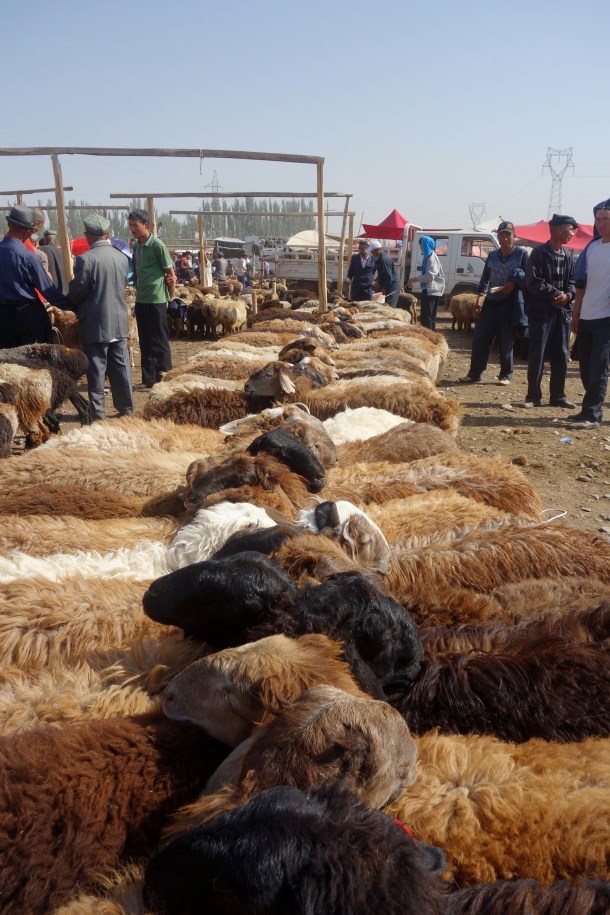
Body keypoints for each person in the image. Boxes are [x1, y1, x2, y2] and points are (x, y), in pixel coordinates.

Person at [68, 214, 134, 421]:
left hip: (95, 323)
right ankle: (127, 410)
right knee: (121, 368)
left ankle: (98, 414)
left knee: (96, 370)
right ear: (107, 234)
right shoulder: (122, 257)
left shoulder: (86, 259)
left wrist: (70, 297)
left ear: (88, 235)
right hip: (119, 322)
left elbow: (79, 291)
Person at [518, 214, 578, 409]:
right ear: (559, 230)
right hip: (542, 313)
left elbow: (573, 281)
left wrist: (568, 295)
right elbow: (532, 282)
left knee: (561, 354)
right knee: (538, 354)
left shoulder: (568, 255)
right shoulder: (538, 254)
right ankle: (533, 396)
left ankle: (558, 396)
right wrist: (556, 294)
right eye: (570, 230)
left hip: (561, 313)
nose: (572, 234)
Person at [459, 221, 528, 385]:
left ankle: (506, 374)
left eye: (508, 235)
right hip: (491, 301)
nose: (505, 238)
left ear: (514, 236)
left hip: (509, 302)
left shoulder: (521, 254)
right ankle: (475, 373)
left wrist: (514, 282)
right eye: (502, 235)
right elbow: (485, 278)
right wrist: (479, 298)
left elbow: (528, 277)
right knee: (480, 338)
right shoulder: (493, 255)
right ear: (498, 236)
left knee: (505, 340)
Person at [0, 205, 71, 347]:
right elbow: (48, 290)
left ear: (8, 223)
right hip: (28, 318)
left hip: (2, 319)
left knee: (5, 364)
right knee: (34, 364)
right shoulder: (28, 257)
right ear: (29, 231)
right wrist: (73, 306)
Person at [567, 199, 610, 429]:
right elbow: (581, 284)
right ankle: (587, 409)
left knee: (598, 367)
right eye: (598, 219)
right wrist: (576, 313)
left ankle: (593, 415)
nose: (601, 224)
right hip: (587, 316)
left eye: (606, 219)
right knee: (584, 366)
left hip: (606, 319)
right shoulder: (592, 248)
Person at [128, 208, 176, 387]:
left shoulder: (157, 245)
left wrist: (170, 296)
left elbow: (170, 273)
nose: (132, 229)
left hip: (156, 299)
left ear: (145, 225)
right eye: (131, 225)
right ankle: (148, 379)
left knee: (159, 341)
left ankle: (164, 378)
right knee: (145, 341)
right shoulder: (138, 246)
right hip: (142, 299)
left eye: (136, 225)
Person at [409, 235, 445, 329]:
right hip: (430, 289)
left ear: (425, 245)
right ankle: (431, 336)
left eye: (421, 245)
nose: (421, 247)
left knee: (427, 316)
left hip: (431, 291)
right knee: (429, 316)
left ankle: (428, 337)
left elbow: (430, 276)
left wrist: (414, 279)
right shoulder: (429, 256)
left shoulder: (431, 258)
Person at [369, 240, 400, 308]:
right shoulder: (379, 258)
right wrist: (377, 280)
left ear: (378, 249)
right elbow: (382, 274)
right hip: (389, 285)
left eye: (372, 251)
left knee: (390, 308)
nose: (371, 252)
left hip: (392, 286)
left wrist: (384, 288)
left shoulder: (384, 259)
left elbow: (388, 276)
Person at [39, 229, 68, 293]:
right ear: (55, 240)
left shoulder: (40, 250)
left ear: (45, 239)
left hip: (48, 292)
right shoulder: (63, 253)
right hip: (64, 292)